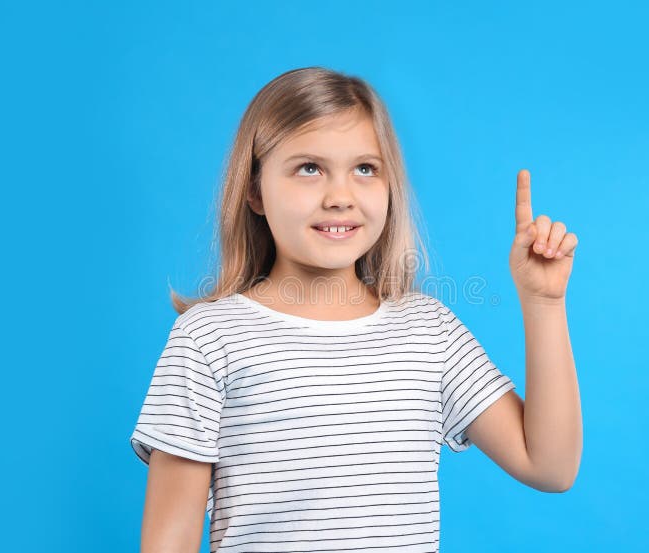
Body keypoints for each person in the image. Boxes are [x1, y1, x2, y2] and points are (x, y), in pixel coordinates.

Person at [129, 66, 582, 552]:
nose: (340, 197)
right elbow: (168, 540)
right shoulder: (209, 339)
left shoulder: (429, 332)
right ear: (256, 190)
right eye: (309, 168)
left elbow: (550, 466)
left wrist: (544, 303)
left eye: (365, 169)